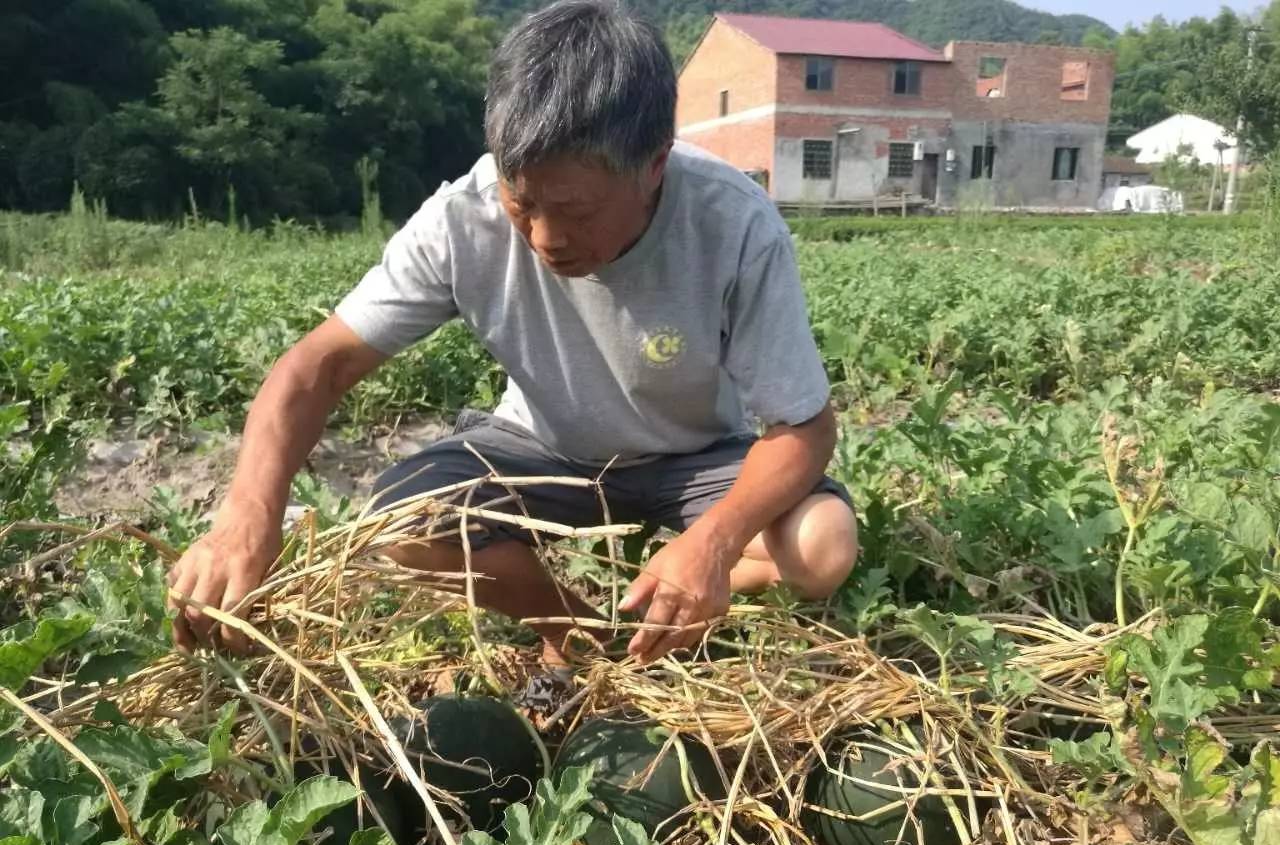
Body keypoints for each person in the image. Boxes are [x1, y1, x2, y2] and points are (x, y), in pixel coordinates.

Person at [166, 0, 859, 668]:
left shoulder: (732, 223)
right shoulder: (461, 219)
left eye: (575, 209)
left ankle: (668, 586)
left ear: (654, 166)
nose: (545, 239)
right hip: (541, 448)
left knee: (822, 548)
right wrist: (246, 518)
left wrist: (715, 539)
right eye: (521, 202)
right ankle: (574, 625)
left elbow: (804, 428)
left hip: (694, 456)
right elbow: (316, 367)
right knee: (401, 528)